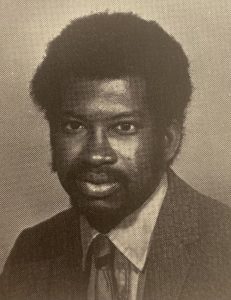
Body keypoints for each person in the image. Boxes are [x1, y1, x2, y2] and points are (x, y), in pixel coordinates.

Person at [0, 12, 230, 300]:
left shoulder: (225, 247)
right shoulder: (30, 254)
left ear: (168, 140)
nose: (96, 155)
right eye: (75, 126)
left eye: (123, 127)